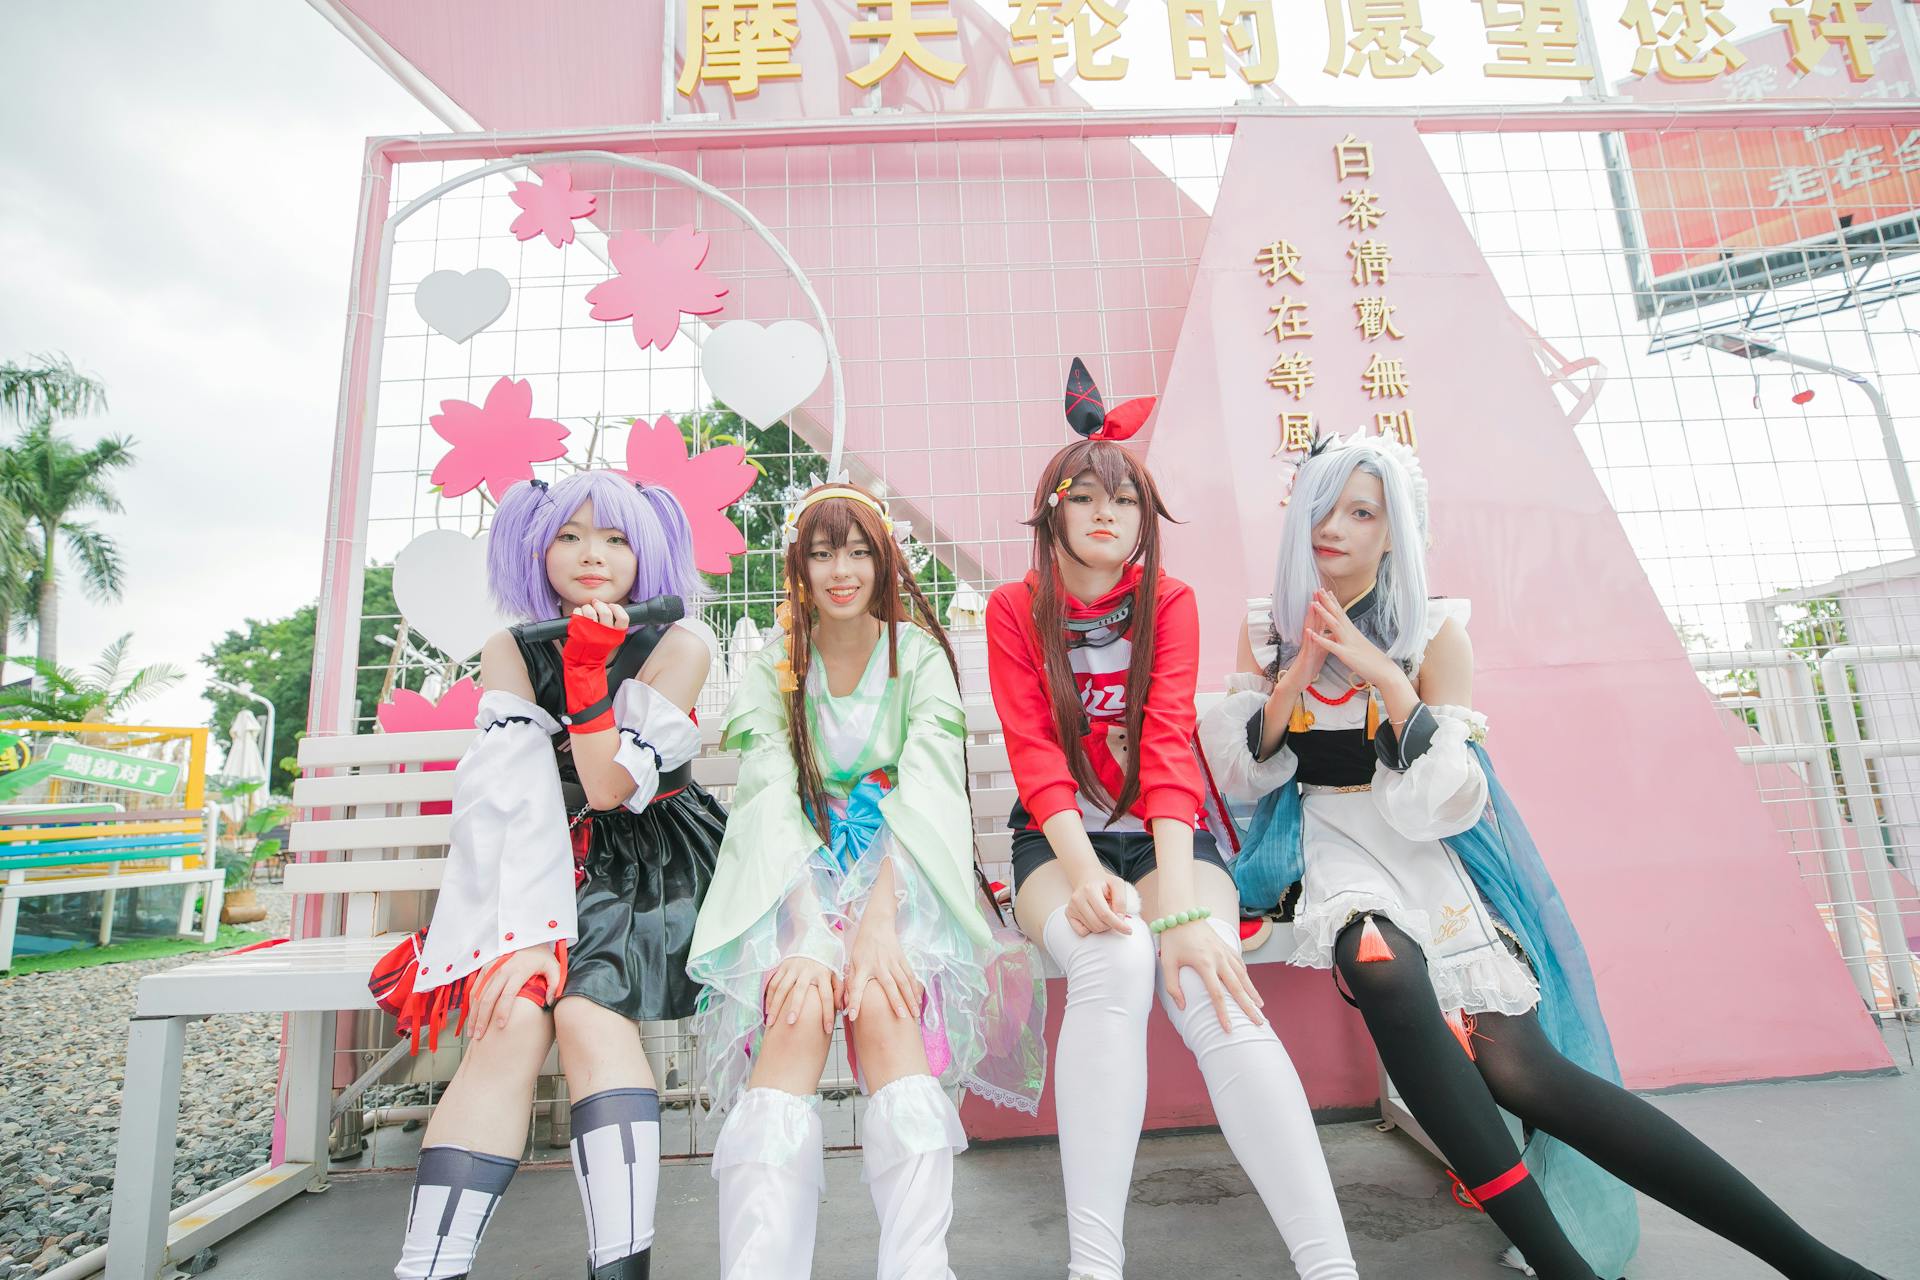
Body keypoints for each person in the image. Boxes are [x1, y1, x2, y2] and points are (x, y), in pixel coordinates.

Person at [1203, 431, 1887, 1280]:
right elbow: (1240, 775)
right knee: (1378, 962)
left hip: (1429, 857)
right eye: (1322, 506)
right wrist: (1297, 673)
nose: (1333, 527)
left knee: (1521, 1070)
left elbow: (1445, 802)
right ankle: (1563, 1266)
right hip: (1328, 849)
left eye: (1361, 511)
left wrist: (1391, 683)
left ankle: (1815, 1262)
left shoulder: (1433, 633)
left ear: (1395, 531)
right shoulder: (1265, 630)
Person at [983, 360, 1357, 1280]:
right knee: (1113, 959)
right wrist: (1085, 879)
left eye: (1126, 499)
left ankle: (1331, 1269)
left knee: (1212, 983)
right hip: (1059, 843)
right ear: (1054, 513)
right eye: (1087, 497)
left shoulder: (1170, 603)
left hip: (1168, 837)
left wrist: (1185, 912)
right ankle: (1093, 1267)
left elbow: (1166, 754)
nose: (1107, 513)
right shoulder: (1012, 611)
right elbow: (1035, 761)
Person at [687, 481, 1046, 1280]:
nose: (840, 569)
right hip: (794, 878)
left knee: (885, 1002)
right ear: (799, 567)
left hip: (902, 871)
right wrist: (810, 930)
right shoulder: (775, 666)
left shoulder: (915, 655)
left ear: (883, 559)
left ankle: (918, 1270)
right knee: (798, 1006)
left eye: (856, 550)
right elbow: (768, 805)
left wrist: (879, 921)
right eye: (821, 553)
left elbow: (926, 791)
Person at [375, 469, 725, 1280]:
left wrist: (587, 672)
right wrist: (522, 937)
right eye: (568, 536)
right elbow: (506, 798)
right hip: (542, 852)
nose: (590, 555)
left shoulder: (681, 642)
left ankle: (621, 1271)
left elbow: (610, 788)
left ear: (650, 551)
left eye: (613, 537)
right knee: (508, 1021)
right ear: (535, 549)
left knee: (591, 1014)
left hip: (653, 856)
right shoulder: (510, 644)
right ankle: (428, 1269)